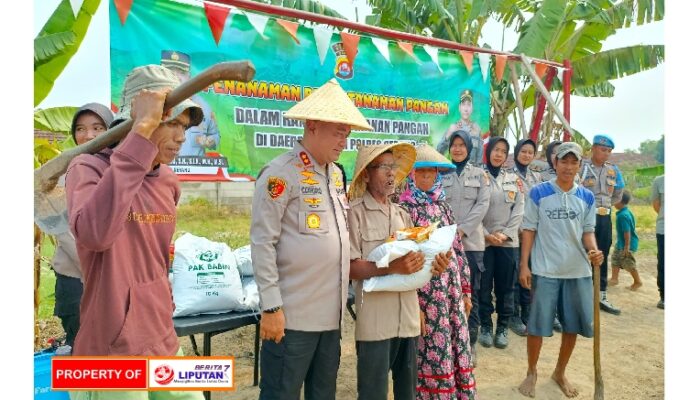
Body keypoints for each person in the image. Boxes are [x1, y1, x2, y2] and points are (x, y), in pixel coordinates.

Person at [65, 65, 204, 400]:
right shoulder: (88, 169)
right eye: (170, 122)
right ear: (137, 119)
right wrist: (140, 135)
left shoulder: (168, 180)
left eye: (183, 126)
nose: (181, 136)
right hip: (112, 352)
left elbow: (154, 258)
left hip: (163, 340)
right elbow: (95, 234)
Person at [250, 78, 370, 400]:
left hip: (330, 318)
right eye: (338, 132)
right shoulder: (280, 173)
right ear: (312, 125)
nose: (344, 141)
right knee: (281, 393)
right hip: (292, 318)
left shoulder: (334, 174)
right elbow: (263, 242)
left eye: (347, 133)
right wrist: (271, 307)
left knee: (323, 394)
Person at [347, 143, 450, 400]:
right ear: (367, 174)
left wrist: (434, 266)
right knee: (373, 393)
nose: (392, 173)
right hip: (375, 322)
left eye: (393, 167)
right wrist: (391, 267)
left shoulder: (403, 215)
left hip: (408, 320)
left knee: (408, 392)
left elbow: (414, 266)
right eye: (384, 167)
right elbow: (349, 267)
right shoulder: (354, 215)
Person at [517, 142, 604, 398]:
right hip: (546, 270)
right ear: (555, 164)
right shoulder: (539, 193)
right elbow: (529, 230)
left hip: (578, 271)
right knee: (537, 326)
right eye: (563, 162)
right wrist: (525, 265)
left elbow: (588, 232)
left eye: (573, 162)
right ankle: (531, 372)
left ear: (579, 165)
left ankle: (560, 371)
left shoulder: (586, 197)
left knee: (572, 325)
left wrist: (594, 251)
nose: (568, 167)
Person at [398, 144, 477, 399]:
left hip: (450, 290)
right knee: (429, 347)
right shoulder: (404, 210)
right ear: (411, 175)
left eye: (432, 173)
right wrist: (414, 303)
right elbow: (403, 257)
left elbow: (458, 249)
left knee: (454, 342)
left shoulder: (443, 207)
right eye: (421, 173)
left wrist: (465, 290)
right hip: (425, 293)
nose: (427, 178)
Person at [52, 102, 113, 348]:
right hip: (77, 280)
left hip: (112, 281)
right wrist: (104, 273)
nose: (88, 135)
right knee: (84, 355)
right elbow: (64, 232)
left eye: (98, 127)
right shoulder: (63, 176)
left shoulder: (119, 171)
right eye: (80, 129)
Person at [440, 130, 490, 365]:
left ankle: (470, 344)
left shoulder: (480, 175)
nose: (458, 149)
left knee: (473, 295)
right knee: (447, 294)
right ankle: (450, 342)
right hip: (445, 245)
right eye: (454, 145)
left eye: (462, 145)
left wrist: (461, 230)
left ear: (469, 149)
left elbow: (482, 205)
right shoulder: (442, 173)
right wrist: (448, 232)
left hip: (471, 244)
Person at [479, 136, 524, 350]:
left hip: (507, 244)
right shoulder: (479, 176)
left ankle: (503, 327)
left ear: (506, 156)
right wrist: (487, 234)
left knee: (507, 288)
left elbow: (519, 210)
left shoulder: (514, 180)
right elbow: (474, 210)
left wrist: (505, 234)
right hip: (484, 243)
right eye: (495, 150)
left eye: (503, 151)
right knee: (484, 287)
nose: (498, 154)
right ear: (488, 152)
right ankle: (486, 326)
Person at [579, 134, 625, 315]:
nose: (606, 154)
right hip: (584, 217)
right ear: (593, 148)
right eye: (603, 149)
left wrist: (604, 207)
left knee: (602, 253)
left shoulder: (613, 170)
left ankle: (601, 295)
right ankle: (582, 295)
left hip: (604, 217)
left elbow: (618, 194)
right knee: (583, 253)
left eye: (609, 151)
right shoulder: (582, 168)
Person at [508, 138, 542, 337]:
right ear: (516, 152)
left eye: (530, 152)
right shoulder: (508, 176)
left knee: (529, 274)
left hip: (532, 234)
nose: (527, 155)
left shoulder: (537, 178)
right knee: (513, 275)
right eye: (524, 151)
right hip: (514, 233)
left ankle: (528, 313)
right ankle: (514, 315)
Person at [161, 50, 220, 157]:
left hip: (194, 170)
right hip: (159, 170)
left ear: (188, 76)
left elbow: (215, 136)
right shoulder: (151, 102)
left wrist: (210, 141)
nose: (176, 76)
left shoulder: (204, 106)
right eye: (170, 71)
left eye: (181, 72)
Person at [436, 90, 484, 165]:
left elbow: (479, 159)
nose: (466, 109)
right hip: (455, 173)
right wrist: (448, 135)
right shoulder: (452, 128)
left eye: (469, 105)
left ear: (472, 108)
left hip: (472, 174)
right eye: (463, 104)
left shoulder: (477, 128)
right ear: (459, 107)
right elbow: (438, 152)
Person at [609, 190, 642, 290]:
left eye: (614, 199)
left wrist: (626, 247)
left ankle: (638, 281)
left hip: (627, 244)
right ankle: (614, 279)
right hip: (621, 243)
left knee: (628, 263)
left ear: (620, 200)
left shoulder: (623, 216)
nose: (613, 201)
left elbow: (627, 232)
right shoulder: (625, 212)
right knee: (615, 259)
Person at [651, 175, 664, 309]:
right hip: (664, 229)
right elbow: (656, 205)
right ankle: (664, 297)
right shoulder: (659, 180)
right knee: (664, 263)